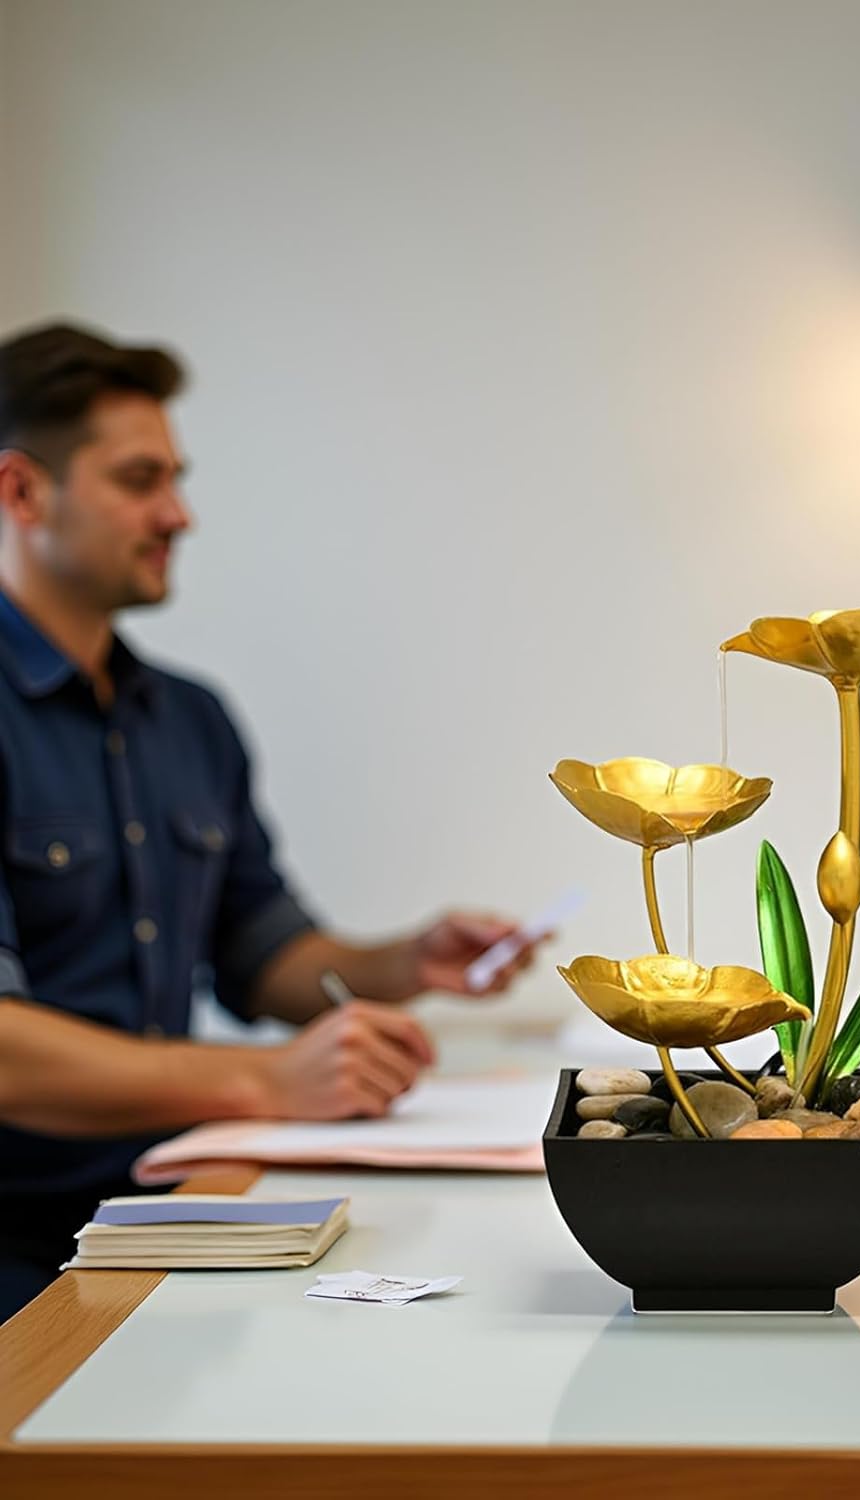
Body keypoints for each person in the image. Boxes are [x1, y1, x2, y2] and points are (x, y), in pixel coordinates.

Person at [0, 323, 536, 1322]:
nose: (180, 514)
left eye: (178, 477)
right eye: (140, 479)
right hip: (24, 1241)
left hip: (175, 1204)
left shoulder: (191, 721)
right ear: (23, 491)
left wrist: (406, 962)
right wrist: (263, 1082)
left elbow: (267, 957)